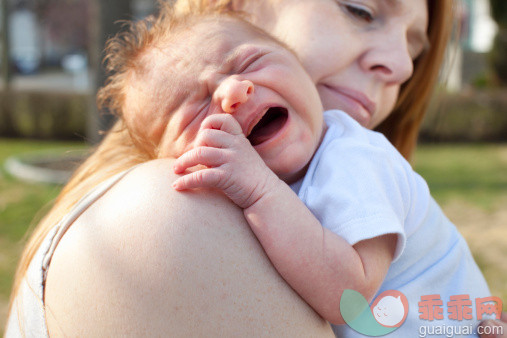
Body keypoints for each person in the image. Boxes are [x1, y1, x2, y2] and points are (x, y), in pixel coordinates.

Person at [5, 0, 505, 336]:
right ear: (236, 5)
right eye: (361, 8)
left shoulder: (351, 154)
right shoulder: (163, 220)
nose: (401, 66)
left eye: (415, 47)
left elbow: (354, 295)